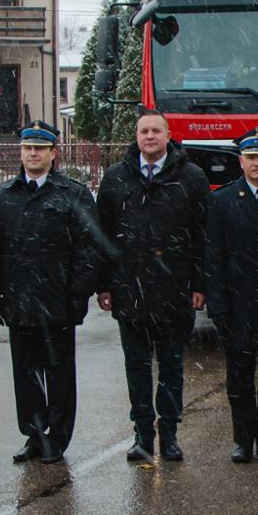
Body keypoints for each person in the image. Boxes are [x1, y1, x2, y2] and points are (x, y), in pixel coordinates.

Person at [0, 120, 103, 465]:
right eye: (27, 148)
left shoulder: (72, 194)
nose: (32, 154)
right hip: (19, 301)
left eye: (39, 148)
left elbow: (88, 248)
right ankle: (34, 435)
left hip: (57, 302)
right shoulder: (5, 196)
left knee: (59, 373)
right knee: (26, 374)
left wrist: (80, 293)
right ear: (20, 152)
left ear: (53, 153)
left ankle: (58, 437)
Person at [95, 110, 210, 463]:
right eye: (143, 131)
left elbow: (203, 236)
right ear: (136, 136)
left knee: (172, 368)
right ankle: (143, 435)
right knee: (138, 368)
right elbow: (101, 236)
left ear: (167, 134)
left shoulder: (191, 178)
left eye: (156, 131)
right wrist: (104, 285)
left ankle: (171, 435)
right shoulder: (116, 178)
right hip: (129, 291)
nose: (149, 137)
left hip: (174, 291)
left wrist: (200, 283)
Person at [203, 128, 258, 465]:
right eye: (251, 157)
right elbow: (213, 257)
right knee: (239, 380)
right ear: (240, 161)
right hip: (237, 305)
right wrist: (218, 305)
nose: (257, 163)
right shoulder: (222, 200)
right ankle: (242, 440)